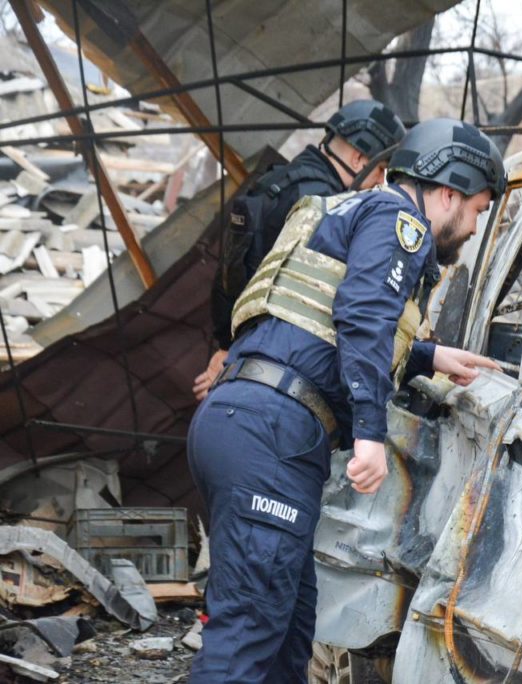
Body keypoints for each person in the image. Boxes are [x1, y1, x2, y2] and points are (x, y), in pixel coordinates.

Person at [186, 118, 505, 682]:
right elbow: (361, 317)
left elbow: (317, 322)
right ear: (449, 191)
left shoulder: (348, 208)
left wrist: (429, 357)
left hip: (242, 419)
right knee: (245, 642)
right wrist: (370, 436)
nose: (476, 225)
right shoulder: (402, 221)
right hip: (272, 435)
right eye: (479, 209)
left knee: (286, 634)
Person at [193, 99, 407, 401]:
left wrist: (226, 345)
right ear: (359, 159)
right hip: (279, 368)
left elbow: (232, 271)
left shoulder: (276, 180)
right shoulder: (323, 205)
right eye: (381, 170)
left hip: (246, 351)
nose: (379, 182)